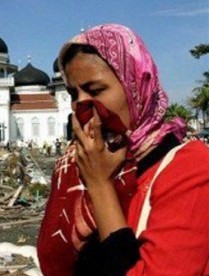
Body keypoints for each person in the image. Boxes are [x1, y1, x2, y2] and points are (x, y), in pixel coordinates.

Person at [37, 24, 209, 275]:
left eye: (95, 90)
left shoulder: (190, 168)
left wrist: (100, 186)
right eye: (74, 93)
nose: (82, 103)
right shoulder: (83, 163)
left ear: (136, 86)